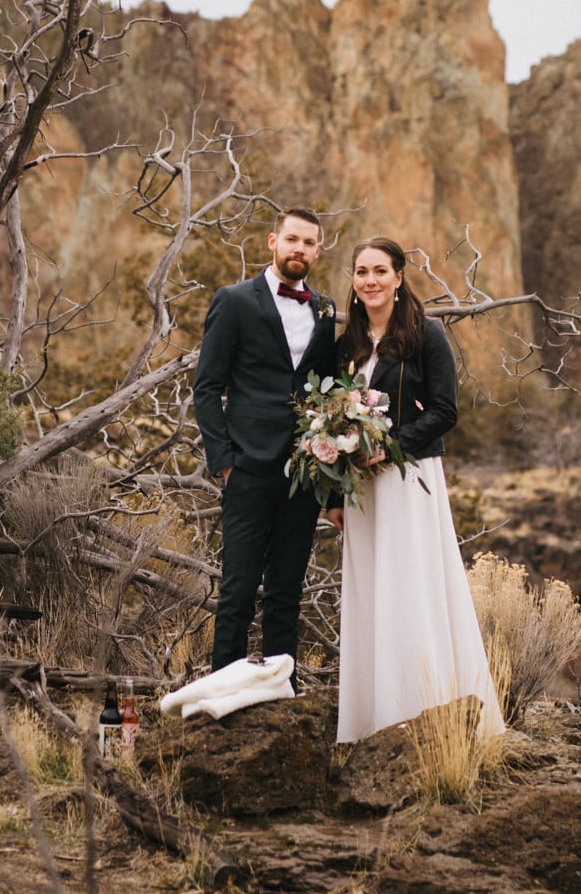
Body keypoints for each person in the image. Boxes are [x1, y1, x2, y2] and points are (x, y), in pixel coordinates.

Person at [330, 237, 504, 743]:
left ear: (399, 277)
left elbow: (446, 412)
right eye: (361, 271)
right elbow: (332, 421)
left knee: (411, 589)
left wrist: (391, 447)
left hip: (410, 482)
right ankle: (371, 723)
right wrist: (335, 496)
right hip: (363, 492)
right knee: (373, 595)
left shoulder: (426, 335)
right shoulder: (348, 345)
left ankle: (429, 715)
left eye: (380, 271)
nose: (370, 280)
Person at [193, 206, 339, 674]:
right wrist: (225, 461)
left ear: (318, 250)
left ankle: (282, 689)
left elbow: (329, 390)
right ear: (272, 242)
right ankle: (224, 693)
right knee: (237, 589)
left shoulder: (326, 309)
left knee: (286, 591)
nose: (299, 249)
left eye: (309, 242)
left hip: (304, 471)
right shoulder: (234, 300)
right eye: (291, 239)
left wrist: (329, 474)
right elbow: (207, 387)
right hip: (248, 469)